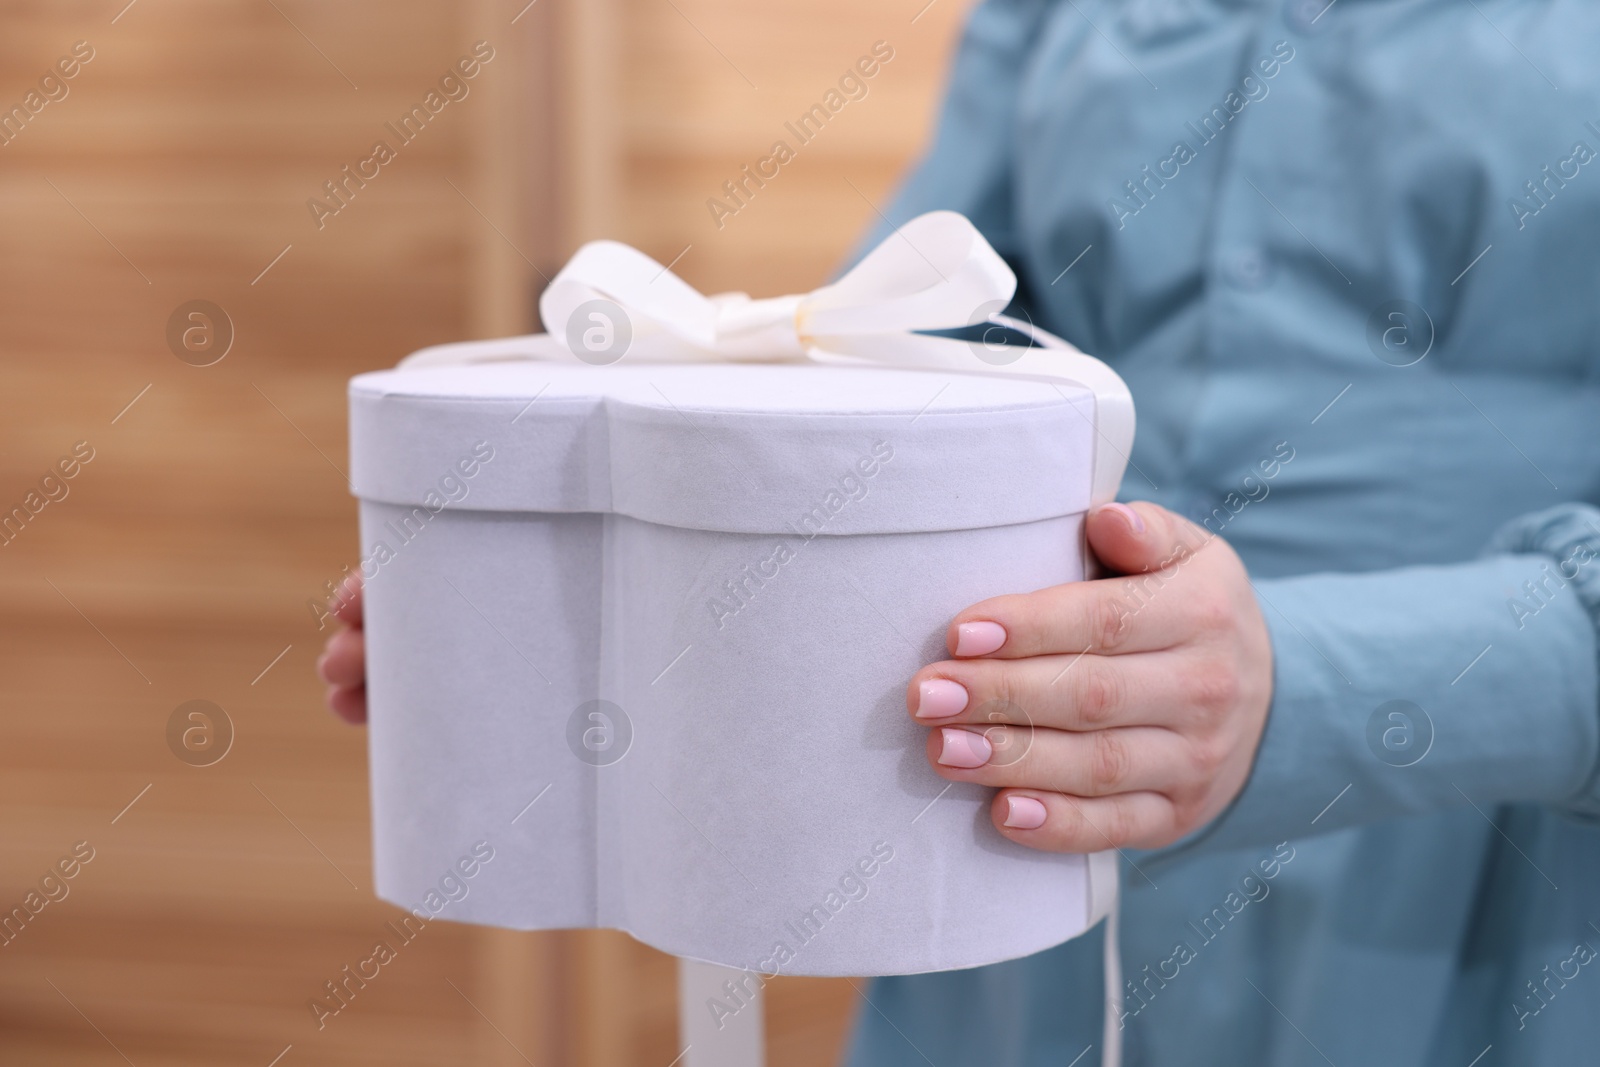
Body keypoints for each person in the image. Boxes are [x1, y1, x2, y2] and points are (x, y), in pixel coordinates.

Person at [322, 0, 1600, 1061]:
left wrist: (1309, 689)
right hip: (1007, 852)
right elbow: (895, 354)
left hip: (1481, 867)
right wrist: (581, 586)